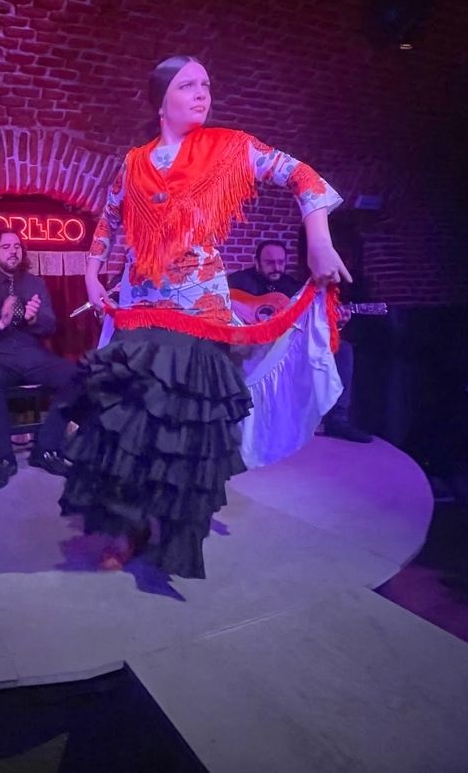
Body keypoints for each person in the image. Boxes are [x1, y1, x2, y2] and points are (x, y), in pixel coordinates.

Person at [64, 54, 349, 579]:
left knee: (185, 433)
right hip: (141, 310)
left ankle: (174, 537)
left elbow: (302, 176)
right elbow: (107, 219)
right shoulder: (135, 161)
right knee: (131, 428)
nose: (203, 94)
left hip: (201, 315)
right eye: (189, 85)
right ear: (161, 100)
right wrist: (90, 274)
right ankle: (128, 529)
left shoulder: (229, 147)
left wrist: (319, 243)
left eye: (207, 85)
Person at [0, 229, 78, 489]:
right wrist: (2, 323)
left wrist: (33, 319)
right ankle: (4, 459)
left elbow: (50, 326)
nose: (13, 251)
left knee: (75, 376)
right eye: (6, 247)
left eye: (17, 246)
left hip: (31, 354)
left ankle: (46, 450)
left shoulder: (34, 283)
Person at [230, 240, 370, 442]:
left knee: (343, 348)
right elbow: (223, 306)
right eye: (269, 262)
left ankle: (337, 420)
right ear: (256, 262)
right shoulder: (238, 282)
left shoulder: (293, 288)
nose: (276, 267)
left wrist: (336, 323)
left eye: (280, 262)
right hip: (248, 344)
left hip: (286, 346)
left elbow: (312, 321)